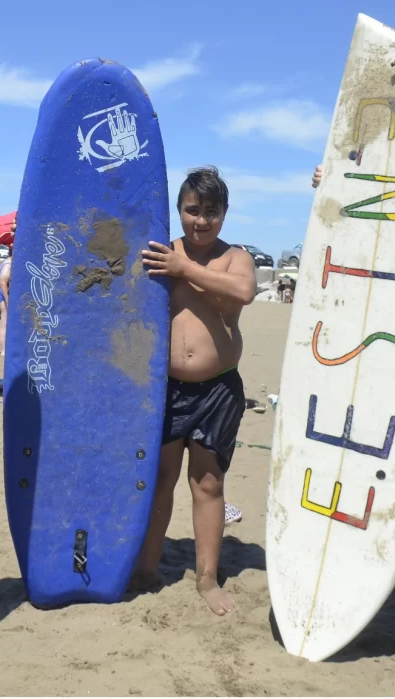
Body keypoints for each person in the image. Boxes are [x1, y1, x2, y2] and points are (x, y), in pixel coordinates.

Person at [134, 166, 256, 615]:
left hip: (218, 389)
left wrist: (185, 269)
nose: (200, 221)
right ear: (179, 210)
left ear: (224, 213)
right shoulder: (160, 252)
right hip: (165, 389)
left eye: (210, 212)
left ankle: (207, 578)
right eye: (192, 211)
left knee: (207, 483)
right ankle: (146, 567)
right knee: (160, 481)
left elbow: (243, 291)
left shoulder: (234, 257)